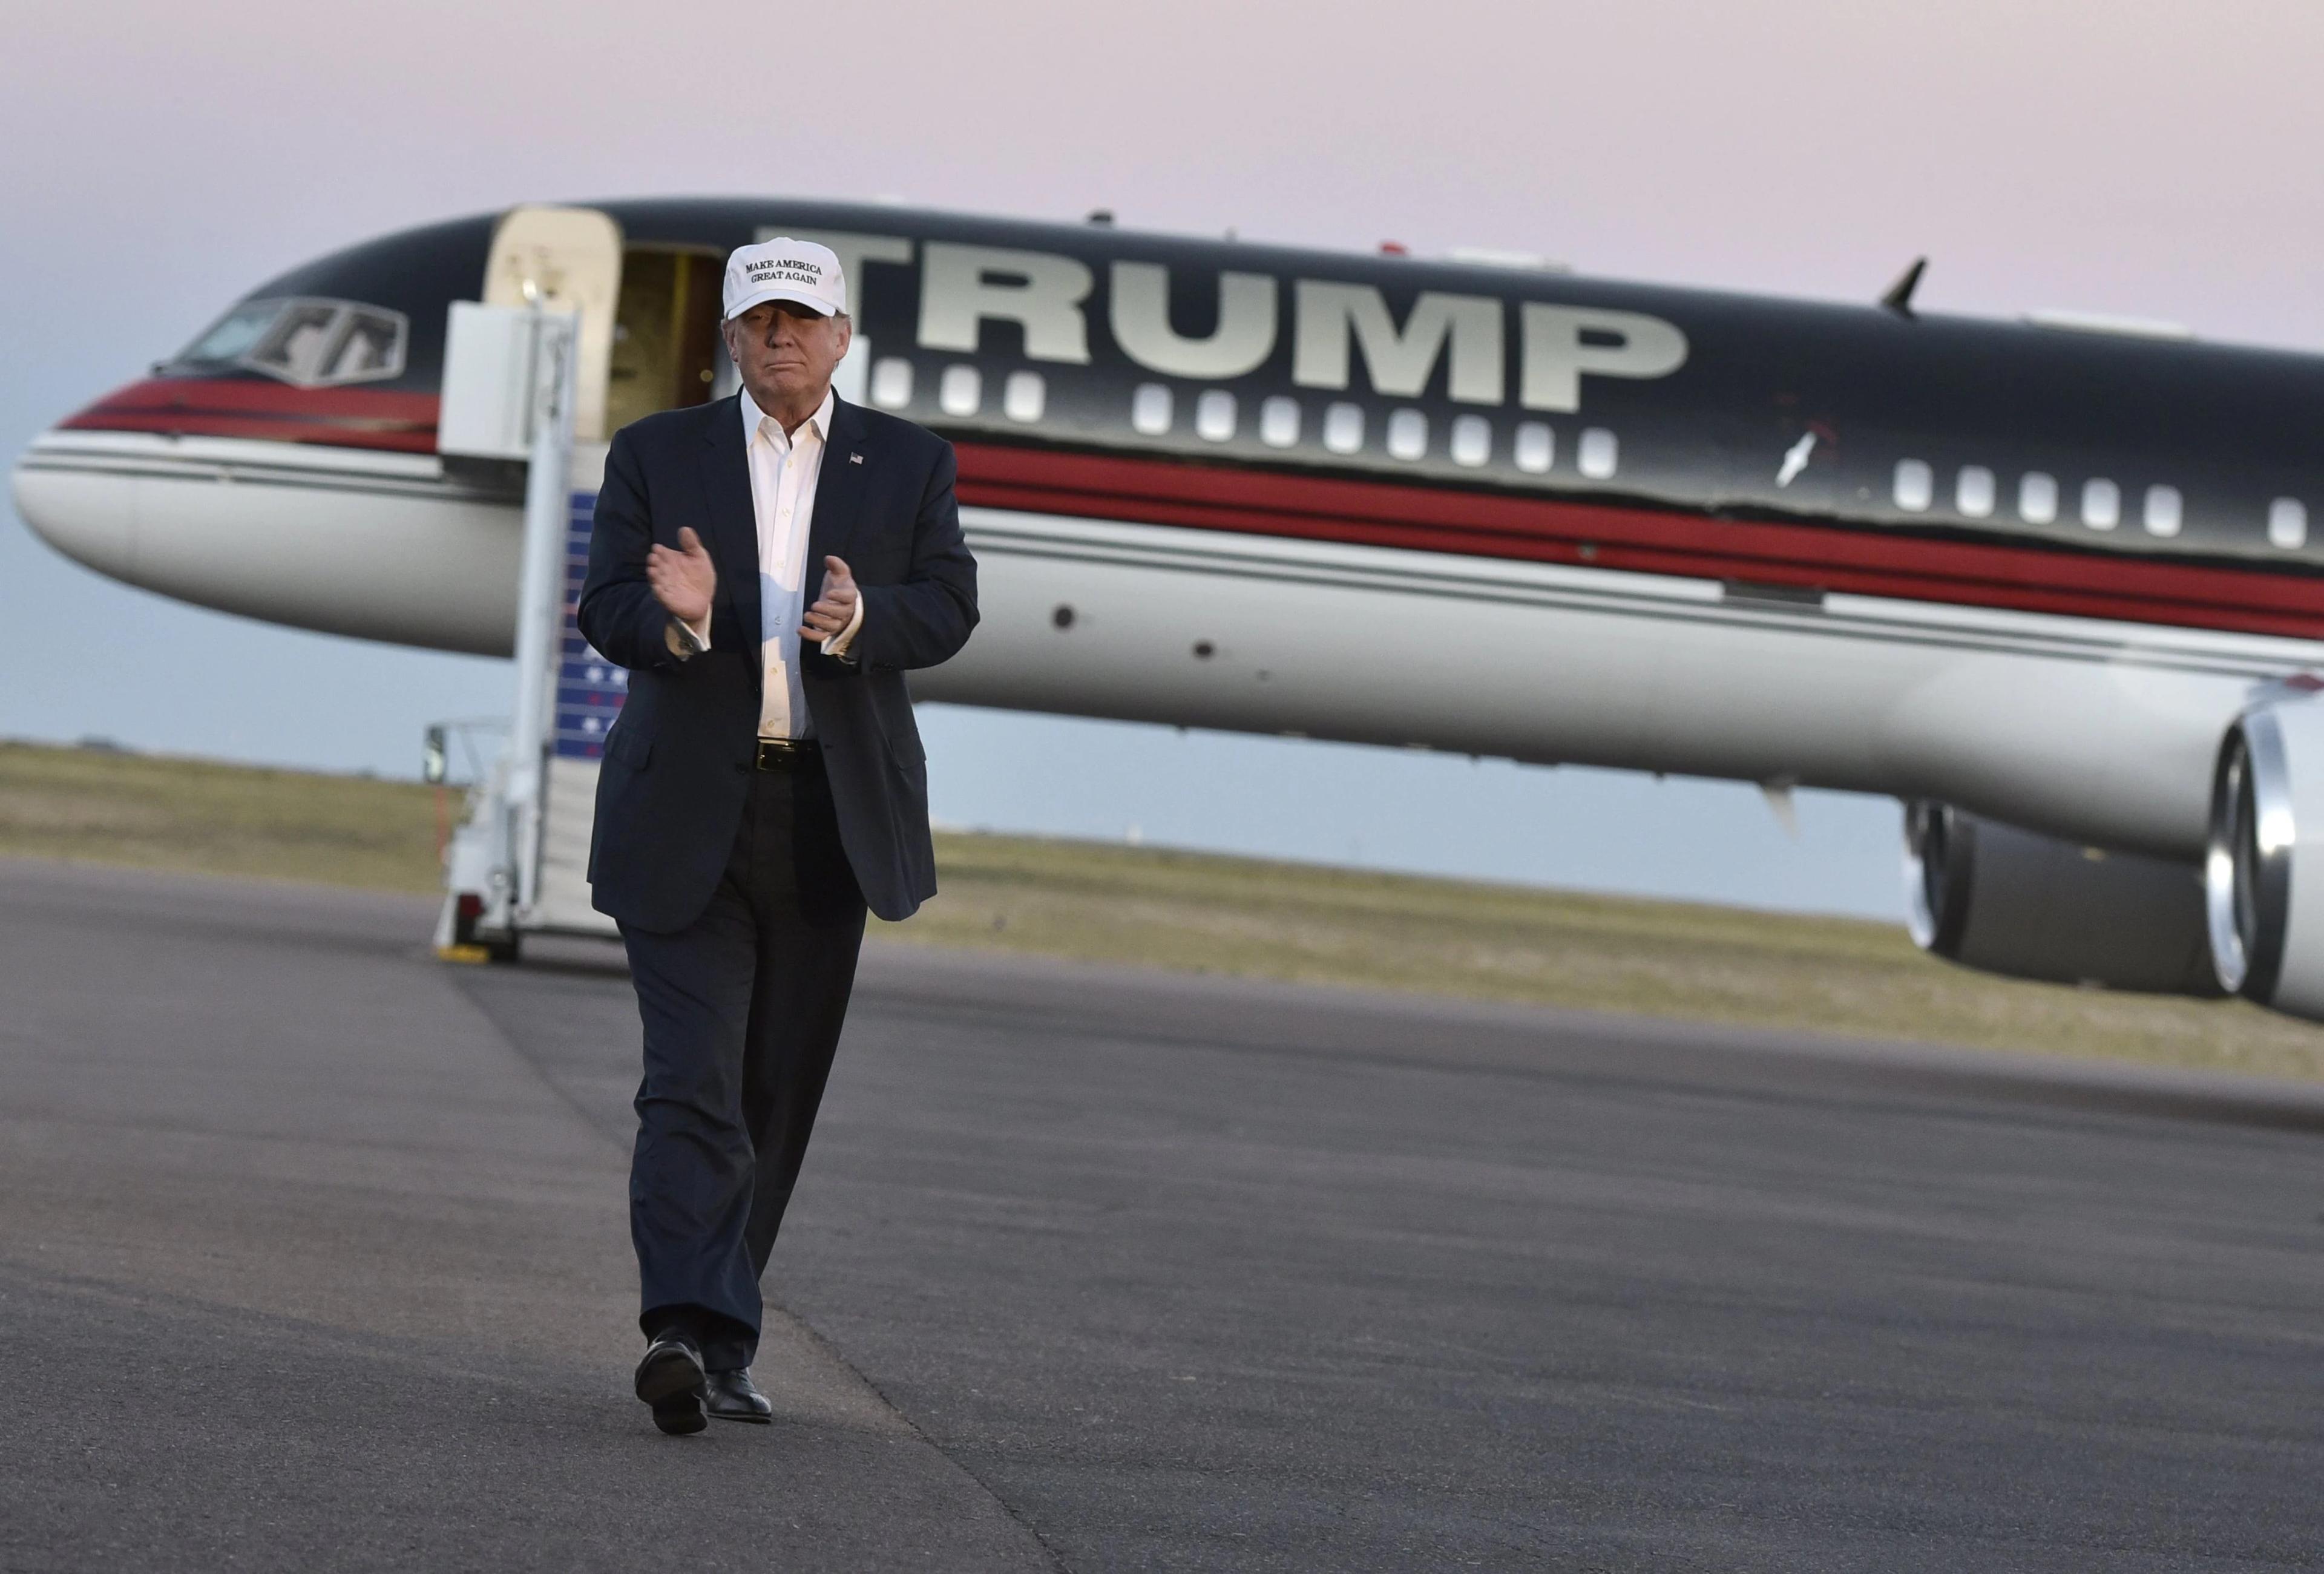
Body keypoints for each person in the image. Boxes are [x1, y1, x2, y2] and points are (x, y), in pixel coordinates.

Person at [577, 237, 978, 1435]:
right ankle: (680, 1328)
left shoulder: (909, 463)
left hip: (827, 817)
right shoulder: (659, 451)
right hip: (686, 809)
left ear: (843, 337)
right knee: (691, 1081)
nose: (782, 338)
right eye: (761, 321)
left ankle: (722, 1338)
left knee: (772, 1091)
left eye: (804, 319)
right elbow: (606, 605)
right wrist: (681, 620)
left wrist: (866, 620)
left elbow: (952, 603)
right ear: (733, 339)